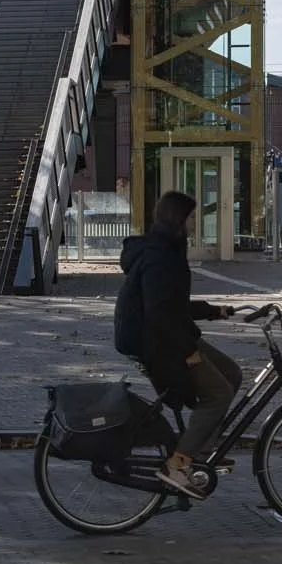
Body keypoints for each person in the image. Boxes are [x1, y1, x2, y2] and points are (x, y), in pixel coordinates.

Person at [114, 190, 240, 496]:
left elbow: (174, 305)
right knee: (218, 392)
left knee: (232, 373)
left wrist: (214, 311)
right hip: (157, 341)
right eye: (192, 217)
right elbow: (160, 314)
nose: (195, 222)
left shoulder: (167, 249)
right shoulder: (160, 256)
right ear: (178, 219)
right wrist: (189, 354)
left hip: (165, 334)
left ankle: (198, 448)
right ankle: (178, 465)